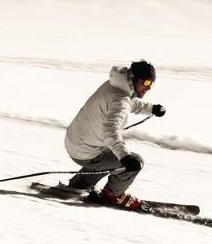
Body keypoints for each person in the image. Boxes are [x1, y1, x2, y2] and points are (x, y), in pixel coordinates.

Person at [64, 60, 166, 210]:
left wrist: (152, 109)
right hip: (86, 151)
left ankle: (79, 184)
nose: (148, 88)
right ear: (134, 78)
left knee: (106, 155)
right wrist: (125, 157)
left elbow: (128, 103)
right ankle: (113, 195)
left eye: (151, 84)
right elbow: (111, 131)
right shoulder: (121, 98)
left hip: (75, 142)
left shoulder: (116, 85)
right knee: (135, 162)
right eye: (145, 82)